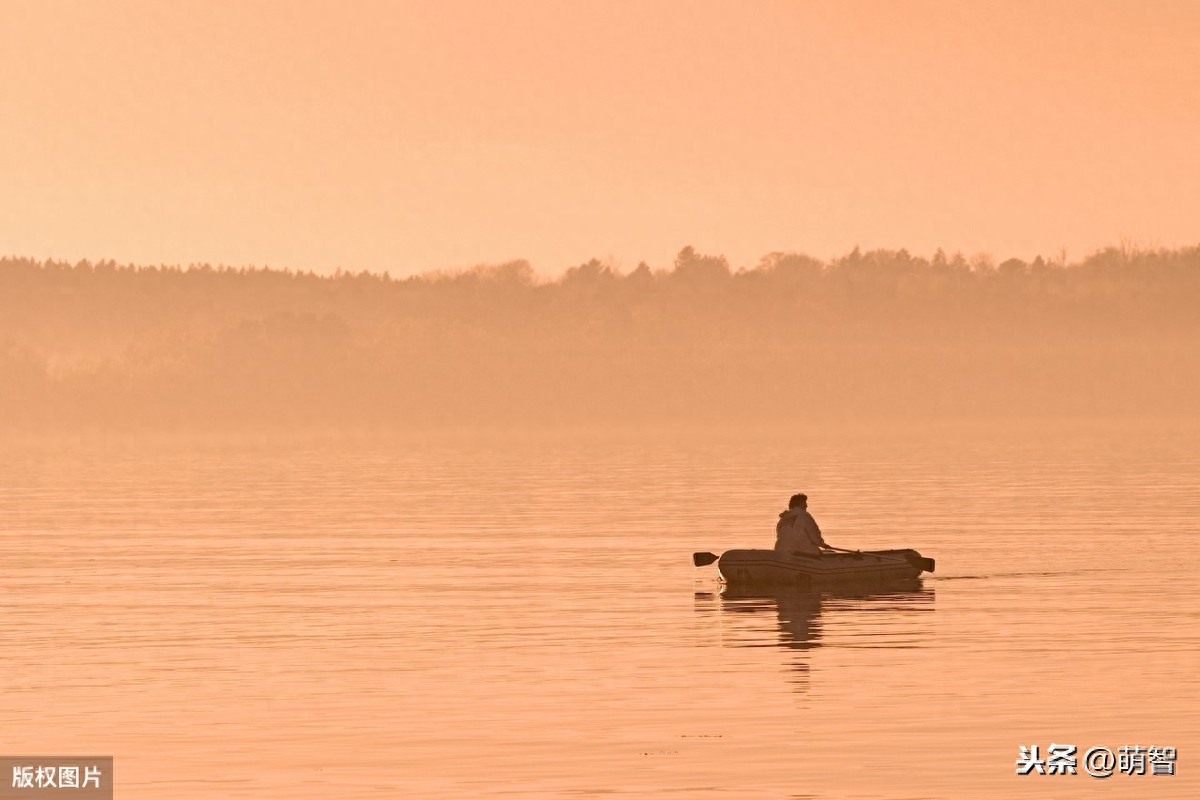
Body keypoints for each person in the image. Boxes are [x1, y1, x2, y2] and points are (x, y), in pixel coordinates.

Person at [774, 493, 829, 559]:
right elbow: (815, 536)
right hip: (801, 552)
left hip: (781, 551)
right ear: (799, 504)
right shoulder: (804, 515)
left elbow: (779, 535)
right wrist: (822, 544)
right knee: (819, 554)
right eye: (804, 503)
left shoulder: (783, 518)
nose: (806, 505)